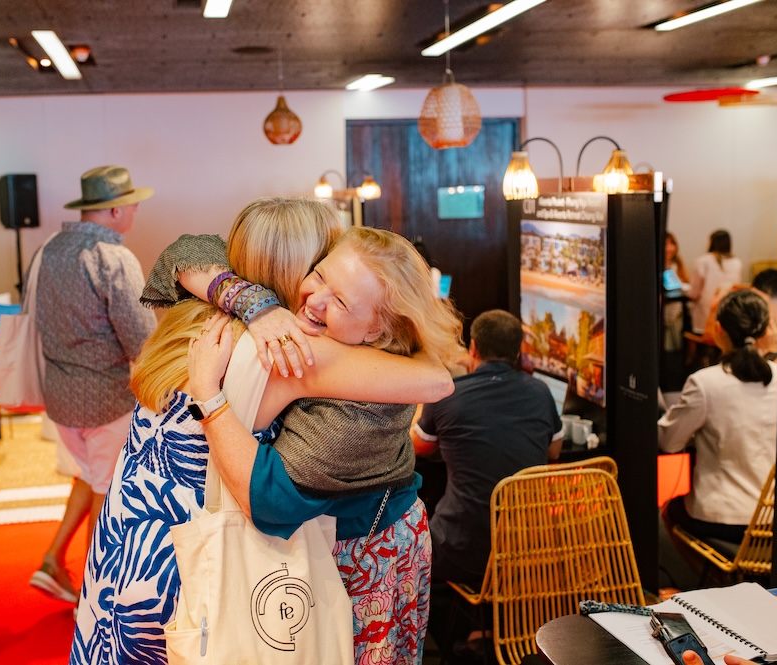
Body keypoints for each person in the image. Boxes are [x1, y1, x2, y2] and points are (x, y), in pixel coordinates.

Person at [71, 199, 456, 665]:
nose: (316, 298)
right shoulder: (289, 350)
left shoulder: (195, 310)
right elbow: (435, 380)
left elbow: (181, 252)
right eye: (319, 272)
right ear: (299, 267)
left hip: (124, 539)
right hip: (191, 556)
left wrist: (249, 301)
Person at [188, 225, 463, 665]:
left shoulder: (351, 411)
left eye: (340, 301)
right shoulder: (350, 352)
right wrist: (253, 304)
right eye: (319, 275)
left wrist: (207, 395)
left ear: (376, 332)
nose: (314, 299)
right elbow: (184, 255)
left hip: (371, 558)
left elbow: (268, 502)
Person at [29, 165, 158, 606]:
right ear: (117, 209)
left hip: (63, 398)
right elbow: (141, 339)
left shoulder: (52, 249)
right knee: (108, 494)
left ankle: (52, 559)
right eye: (134, 202)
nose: (137, 209)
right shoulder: (114, 257)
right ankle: (97, 598)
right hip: (107, 400)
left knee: (88, 477)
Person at [411, 309, 563, 662]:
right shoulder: (541, 392)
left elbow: (419, 446)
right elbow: (553, 449)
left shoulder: (448, 392)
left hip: (463, 553)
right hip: (527, 553)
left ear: (473, 347)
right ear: (519, 352)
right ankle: (489, 630)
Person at [659, 289, 777, 549]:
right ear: (765, 331)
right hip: (773, 519)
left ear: (719, 329)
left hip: (721, 516)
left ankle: (712, 579)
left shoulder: (705, 383)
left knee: (667, 510)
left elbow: (669, 442)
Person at [689, 229, 742, 335]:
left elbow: (694, 294)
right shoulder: (737, 263)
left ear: (711, 242)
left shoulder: (703, 261)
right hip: (729, 316)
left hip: (706, 317)